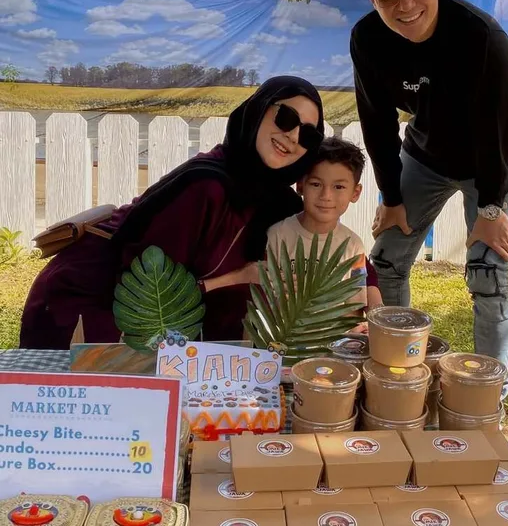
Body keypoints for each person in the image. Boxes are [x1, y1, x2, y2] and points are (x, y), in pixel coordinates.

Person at [351, 0, 508, 395]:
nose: (405, 5)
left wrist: (491, 208)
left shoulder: (483, 38)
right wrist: (391, 197)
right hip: (426, 156)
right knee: (387, 258)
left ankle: (487, 391)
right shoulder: (368, 40)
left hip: (495, 159)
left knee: (488, 271)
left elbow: (499, 128)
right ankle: (397, 373)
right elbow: (377, 122)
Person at [20, 77, 328, 349]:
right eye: (286, 117)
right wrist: (241, 277)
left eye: (309, 135)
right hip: (90, 304)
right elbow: (147, 285)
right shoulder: (208, 186)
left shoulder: (274, 200)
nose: (292, 136)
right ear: (258, 110)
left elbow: (329, 248)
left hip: (162, 327)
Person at [266, 136, 383, 312]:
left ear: (355, 193)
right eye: (316, 184)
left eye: (338, 187)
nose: (326, 195)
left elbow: (355, 308)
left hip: (336, 338)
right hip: (282, 337)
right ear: (300, 185)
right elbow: (262, 297)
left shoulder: (353, 247)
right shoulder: (276, 236)